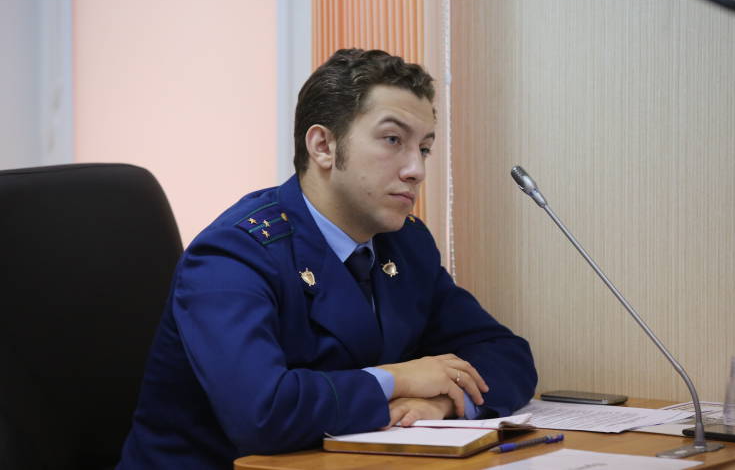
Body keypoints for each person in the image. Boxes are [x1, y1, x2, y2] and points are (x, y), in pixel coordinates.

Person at [117, 48, 537, 469]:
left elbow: (505, 354)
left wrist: (442, 403)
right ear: (323, 146)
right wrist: (399, 379)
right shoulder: (233, 254)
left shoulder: (405, 244)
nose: (416, 170)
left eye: (424, 148)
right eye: (393, 140)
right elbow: (262, 413)